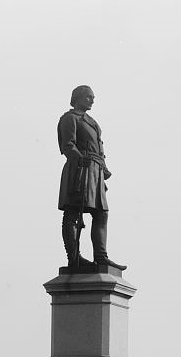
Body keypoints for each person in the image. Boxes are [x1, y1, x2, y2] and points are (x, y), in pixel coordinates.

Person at [57, 85, 125, 271]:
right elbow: (67, 145)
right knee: (73, 213)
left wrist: (103, 169)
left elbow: (99, 149)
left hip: (95, 171)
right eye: (88, 97)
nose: (92, 100)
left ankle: (101, 257)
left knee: (101, 213)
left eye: (93, 97)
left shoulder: (93, 122)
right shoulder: (69, 119)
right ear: (77, 98)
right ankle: (74, 257)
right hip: (79, 169)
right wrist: (80, 159)